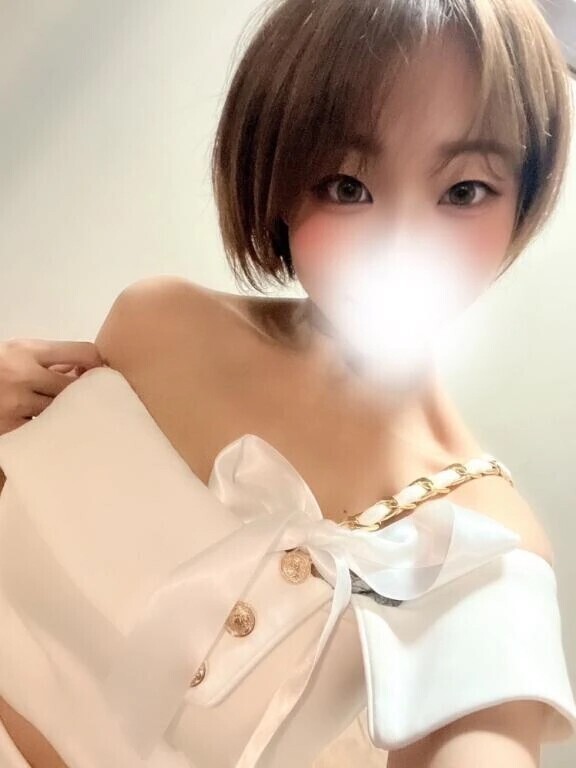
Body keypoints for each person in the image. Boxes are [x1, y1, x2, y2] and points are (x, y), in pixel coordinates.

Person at [0, 0, 575, 766]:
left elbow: (485, 740)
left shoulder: (486, 550)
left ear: (522, 203)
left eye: (465, 190)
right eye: (346, 184)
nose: (400, 243)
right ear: (278, 174)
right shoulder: (160, 327)